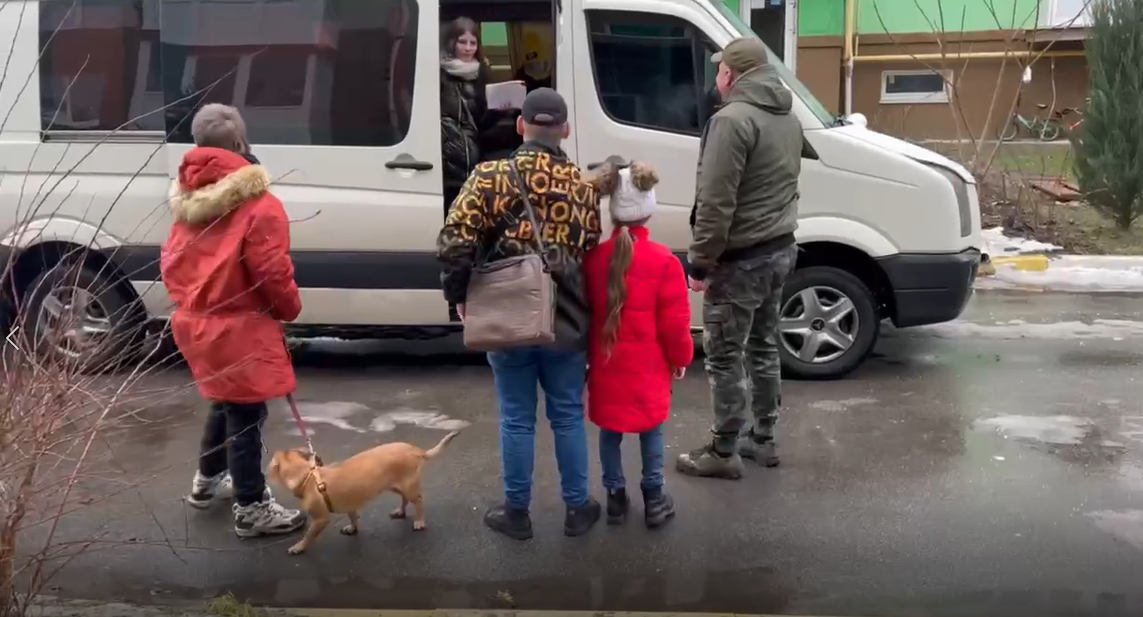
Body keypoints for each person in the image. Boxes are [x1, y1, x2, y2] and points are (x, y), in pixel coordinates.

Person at [437, 88, 603, 541]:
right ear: (565, 130)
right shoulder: (584, 190)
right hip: (565, 318)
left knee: (516, 416)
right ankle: (576, 508)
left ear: (519, 126)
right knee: (568, 415)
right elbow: (588, 250)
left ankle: (517, 512)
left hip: (506, 316)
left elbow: (454, 241)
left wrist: (459, 296)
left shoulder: (490, 176)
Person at [162, 103, 307, 537]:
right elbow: (272, 271)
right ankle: (251, 506)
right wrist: (289, 309)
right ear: (242, 144)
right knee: (247, 413)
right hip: (239, 325)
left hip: (196, 321)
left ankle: (207, 482)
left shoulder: (187, 201)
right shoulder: (260, 206)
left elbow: (170, 261)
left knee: (224, 401)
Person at [675, 37, 803, 480]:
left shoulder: (730, 121)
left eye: (720, 70)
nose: (717, 78)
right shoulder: (786, 116)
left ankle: (723, 449)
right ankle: (763, 438)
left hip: (742, 260)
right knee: (764, 345)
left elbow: (715, 201)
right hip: (779, 249)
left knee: (724, 355)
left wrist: (700, 262)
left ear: (731, 74)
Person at [582, 161, 693, 528]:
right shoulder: (665, 262)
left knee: (610, 433)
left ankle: (615, 498)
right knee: (652, 432)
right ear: (648, 209)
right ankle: (655, 498)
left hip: (607, 365)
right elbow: (675, 324)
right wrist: (680, 358)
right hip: (648, 368)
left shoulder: (594, 260)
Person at [440, 17, 503, 216]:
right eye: (462, 42)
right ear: (452, 43)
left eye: (473, 43)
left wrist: (500, 110)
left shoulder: (483, 73)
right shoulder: (440, 73)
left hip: (476, 157)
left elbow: (483, 122)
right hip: (447, 159)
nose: (468, 48)